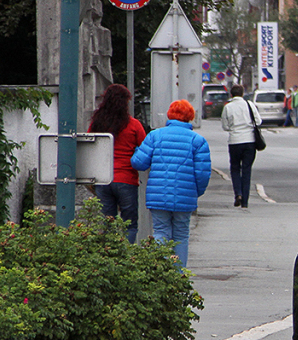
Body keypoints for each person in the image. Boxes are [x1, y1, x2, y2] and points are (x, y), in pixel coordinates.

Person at [131, 100, 211, 269]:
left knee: (160, 231)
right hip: (185, 196)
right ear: (190, 117)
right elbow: (203, 173)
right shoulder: (198, 141)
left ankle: (161, 273)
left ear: (170, 115)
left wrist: (137, 150)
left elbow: (139, 163)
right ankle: (178, 274)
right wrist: (196, 192)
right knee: (181, 234)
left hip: (158, 194)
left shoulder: (155, 136)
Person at [87, 83, 146, 242]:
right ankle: (125, 256)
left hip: (103, 179)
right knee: (130, 223)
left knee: (107, 223)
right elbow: (145, 149)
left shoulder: (97, 124)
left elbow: (89, 147)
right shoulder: (133, 125)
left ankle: (109, 257)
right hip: (126, 179)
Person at [221, 83, 261, 208]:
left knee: (235, 168)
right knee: (247, 170)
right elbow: (258, 121)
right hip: (249, 141)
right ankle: (245, 201)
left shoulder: (228, 107)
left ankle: (238, 193)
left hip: (234, 141)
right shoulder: (250, 105)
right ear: (242, 94)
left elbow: (225, 126)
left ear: (231, 94)